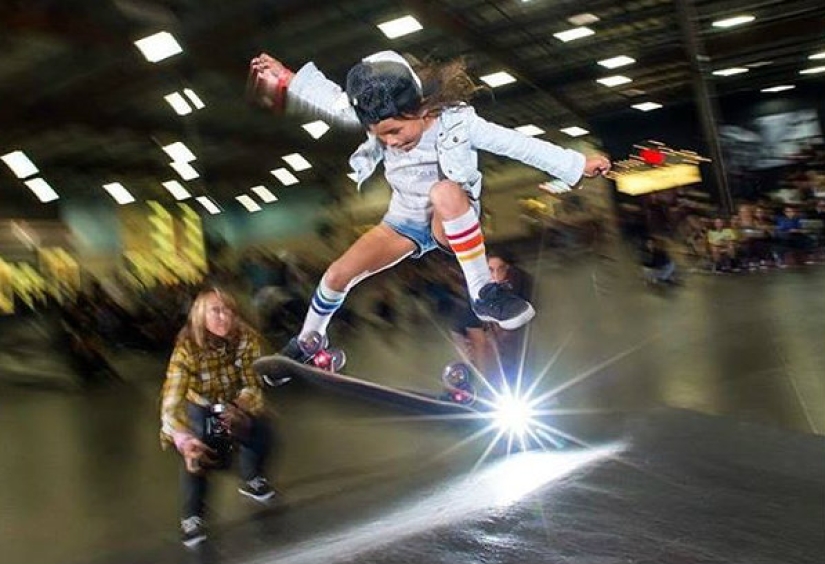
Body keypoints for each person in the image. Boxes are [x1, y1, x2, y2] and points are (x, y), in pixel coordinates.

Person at [248, 51, 611, 361]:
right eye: (380, 135)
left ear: (420, 107)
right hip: (402, 221)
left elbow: (517, 144)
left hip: (452, 216)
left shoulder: (459, 121)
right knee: (336, 275)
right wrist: (286, 77)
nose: (391, 141)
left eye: (395, 131)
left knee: (443, 191)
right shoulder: (373, 117)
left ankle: (484, 293)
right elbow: (331, 98)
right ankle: (311, 340)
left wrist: (576, 164)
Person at [159, 287, 276, 547]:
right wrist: (182, 438)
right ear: (200, 315)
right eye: (216, 311)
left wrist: (239, 407)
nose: (224, 317)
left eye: (229, 311)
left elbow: (253, 382)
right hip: (202, 405)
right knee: (203, 452)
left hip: (231, 402)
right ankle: (192, 516)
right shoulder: (186, 348)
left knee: (262, 429)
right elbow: (172, 398)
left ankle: (251, 478)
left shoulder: (246, 337)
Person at [452, 249, 534, 390]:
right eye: (491, 270)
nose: (496, 276)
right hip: (467, 330)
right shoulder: (475, 297)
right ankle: (481, 387)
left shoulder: (518, 285)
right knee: (481, 351)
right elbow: (479, 344)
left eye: (500, 269)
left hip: (498, 331)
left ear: (507, 269)